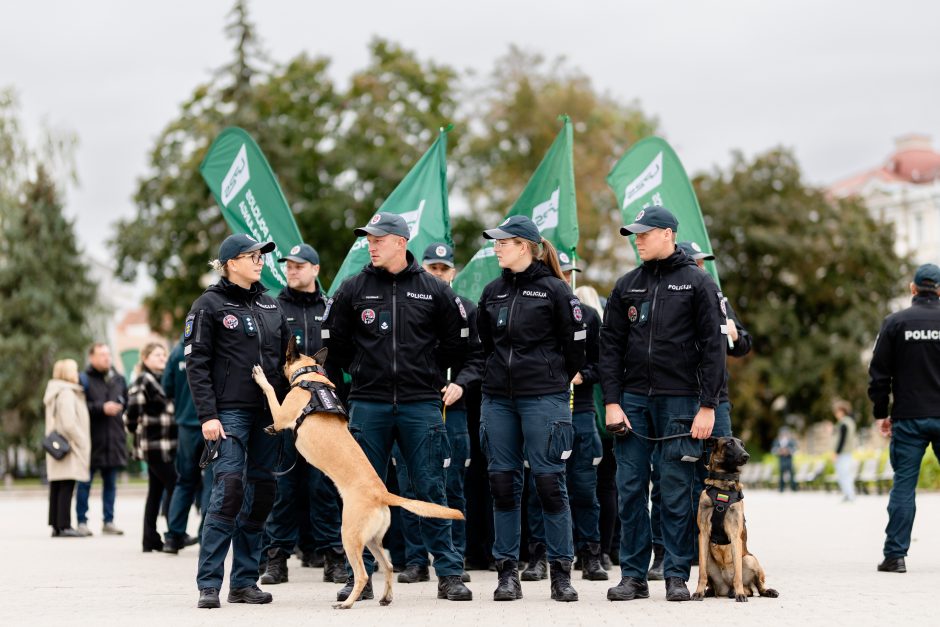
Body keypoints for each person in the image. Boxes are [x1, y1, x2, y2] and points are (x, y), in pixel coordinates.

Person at [321, 213, 473, 602]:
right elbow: (334, 350)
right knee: (359, 493)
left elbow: (460, 346)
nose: (370, 245)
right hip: (367, 405)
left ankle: (450, 574)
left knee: (430, 485)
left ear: (401, 242)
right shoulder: (353, 289)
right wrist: (342, 393)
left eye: (378, 239)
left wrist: (434, 373)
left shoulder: (434, 290)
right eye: (368, 239)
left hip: (420, 405)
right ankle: (362, 577)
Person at [599, 206, 725, 603]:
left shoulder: (697, 283)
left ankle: (675, 575)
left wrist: (709, 406)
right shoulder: (626, 285)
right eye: (634, 234)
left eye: (645, 233)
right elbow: (610, 348)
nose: (637, 240)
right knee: (630, 488)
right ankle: (633, 576)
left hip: (682, 402)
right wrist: (612, 402)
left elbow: (714, 347)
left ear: (668, 234)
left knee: (675, 490)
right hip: (633, 402)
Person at [476, 215, 586, 602]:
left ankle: (561, 574)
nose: (496, 247)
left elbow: (576, 347)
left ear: (523, 245)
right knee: (502, 486)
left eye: (502, 242)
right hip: (498, 400)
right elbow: (486, 343)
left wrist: (553, 377)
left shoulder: (556, 291)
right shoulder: (491, 292)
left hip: (544, 398)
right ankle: (507, 574)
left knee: (550, 485)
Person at [185, 233, 291, 608]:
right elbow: (196, 365)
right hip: (228, 414)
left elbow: (285, 362)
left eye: (262, 255)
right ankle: (209, 585)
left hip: (268, 415)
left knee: (261, 494)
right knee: (229, 489)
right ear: (231, 262)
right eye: (253, 255)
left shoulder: (271, 305)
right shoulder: (207, 305)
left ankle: (244, 582)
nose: (260, 260)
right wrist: (208, 416)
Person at [646, 241, 752, 580]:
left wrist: (734, 335)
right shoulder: (664, 294)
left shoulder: (715, 296)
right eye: (696, 262)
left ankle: (727, 552)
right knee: (669, 476)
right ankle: (664, 553)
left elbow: (744, 342)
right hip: (674, 395)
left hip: (715, 398)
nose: (701, 268)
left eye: (703, 262)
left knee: (722, 475)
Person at [393, 243, 483, 585]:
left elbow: (480, 358)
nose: (438, 274)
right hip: (413, 407)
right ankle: (416, 560)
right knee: (409, 485)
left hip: (453, 411)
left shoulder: (468, 310)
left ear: (453, 272)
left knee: (452, 485)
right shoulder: (407, 305)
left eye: (444, 268)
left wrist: (461, 383)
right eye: (432, 267)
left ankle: (453, 558)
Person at [260, 243, 345, 586]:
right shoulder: (274, 308)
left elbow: (340, 358)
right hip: (288, 413)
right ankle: (277, 559)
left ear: (316, 270)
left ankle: (333, 559)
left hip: (324, 416)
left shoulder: (331, 309)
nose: (292, 271)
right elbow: (268, 358)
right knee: (284, 487)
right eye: (288, 266)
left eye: (299, 266)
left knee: (324, 488)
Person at [868, 262, 940, 574]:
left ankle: (895, 556)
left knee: (904, 486)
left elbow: (879, 374)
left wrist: (881, 413)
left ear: (913, 289)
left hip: (909, 417)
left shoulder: (895, 323)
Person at [123, 342, 178, 552]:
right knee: (175, 483)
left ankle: (150, 538)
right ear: (145, 359)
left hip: (168, 444)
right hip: (154, 445)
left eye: (164, 355)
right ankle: (175, 531)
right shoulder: (143, 379)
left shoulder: (164, 379)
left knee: (155, 492)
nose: (162, 358)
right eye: (157, 355)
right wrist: (133, 430)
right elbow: (133, 410)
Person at [75, 343, 127, 537]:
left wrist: (121, 406)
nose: (107, 358)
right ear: (92, 358)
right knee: (84, 483)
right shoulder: (84, 379)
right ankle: (81, 521)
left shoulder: (119, 379)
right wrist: (101, 408)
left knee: (111, 484)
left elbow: (127, 402)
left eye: (108, 354)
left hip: (114, 439)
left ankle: (109, 521)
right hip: (90, 440)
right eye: (102, 355)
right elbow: (79, 408)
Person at [162, 336, 205, 553]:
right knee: (214, 481)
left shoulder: (177, 353)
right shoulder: (209, 346)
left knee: (185, 481)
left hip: (186, 426)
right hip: (210, 422)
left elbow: (167, 387)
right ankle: (207, 534)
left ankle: (173, 536)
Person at [44, 359, 91, 538]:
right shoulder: (66, 393)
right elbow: (69, 423)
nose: (77, 374)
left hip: (57, 445)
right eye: (74, 370)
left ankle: (56, 525)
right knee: (67, 485)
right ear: (66, 373)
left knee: (57, 485)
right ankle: (64, 525)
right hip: (69, 446)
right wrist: (82, 441)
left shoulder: (54, 391)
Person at [831, 399, 857, 502]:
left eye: (837, 411)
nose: (835, 414)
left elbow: (842, 440)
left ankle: (849, 495)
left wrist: (836, 453)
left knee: (843, 474)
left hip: (843, 453)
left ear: (841, 411)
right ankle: (849, 494)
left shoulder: (844, 423)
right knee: (846, 474)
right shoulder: (850, 422)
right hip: (848, 453)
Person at [771, 427, 799, 492]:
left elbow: (795, 450)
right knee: (781, 475)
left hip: (789, 460)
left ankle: (793, 488)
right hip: (781, 460)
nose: (784, 435)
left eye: (785, 433)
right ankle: (781, 488)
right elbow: (773, 450)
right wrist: (779, 451)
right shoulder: (777, 441)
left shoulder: (791, 441)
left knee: (792, 474)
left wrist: (788, 451)